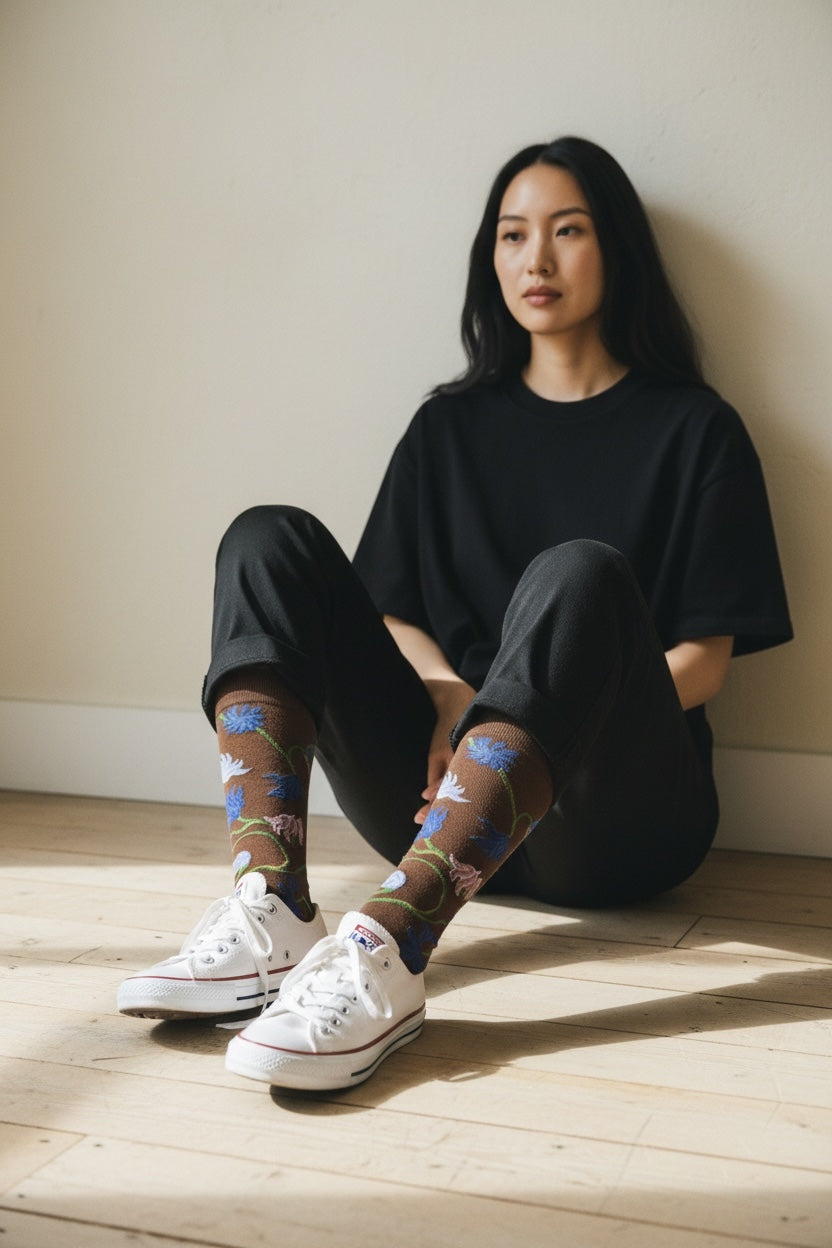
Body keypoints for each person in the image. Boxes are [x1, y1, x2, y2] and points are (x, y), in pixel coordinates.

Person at [117, 136, 792, 1092]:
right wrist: (444, 694)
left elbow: (705, 660)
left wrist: (510, 729)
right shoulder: (447, 427)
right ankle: (270, 902)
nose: (536, 258)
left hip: (615, 824)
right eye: (513, 235)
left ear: (618, 249)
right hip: (431, 802)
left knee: (579, 574)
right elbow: (391, 610)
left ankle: (391, 942)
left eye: (568, 231)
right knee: (265, 539)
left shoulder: (697, 429)